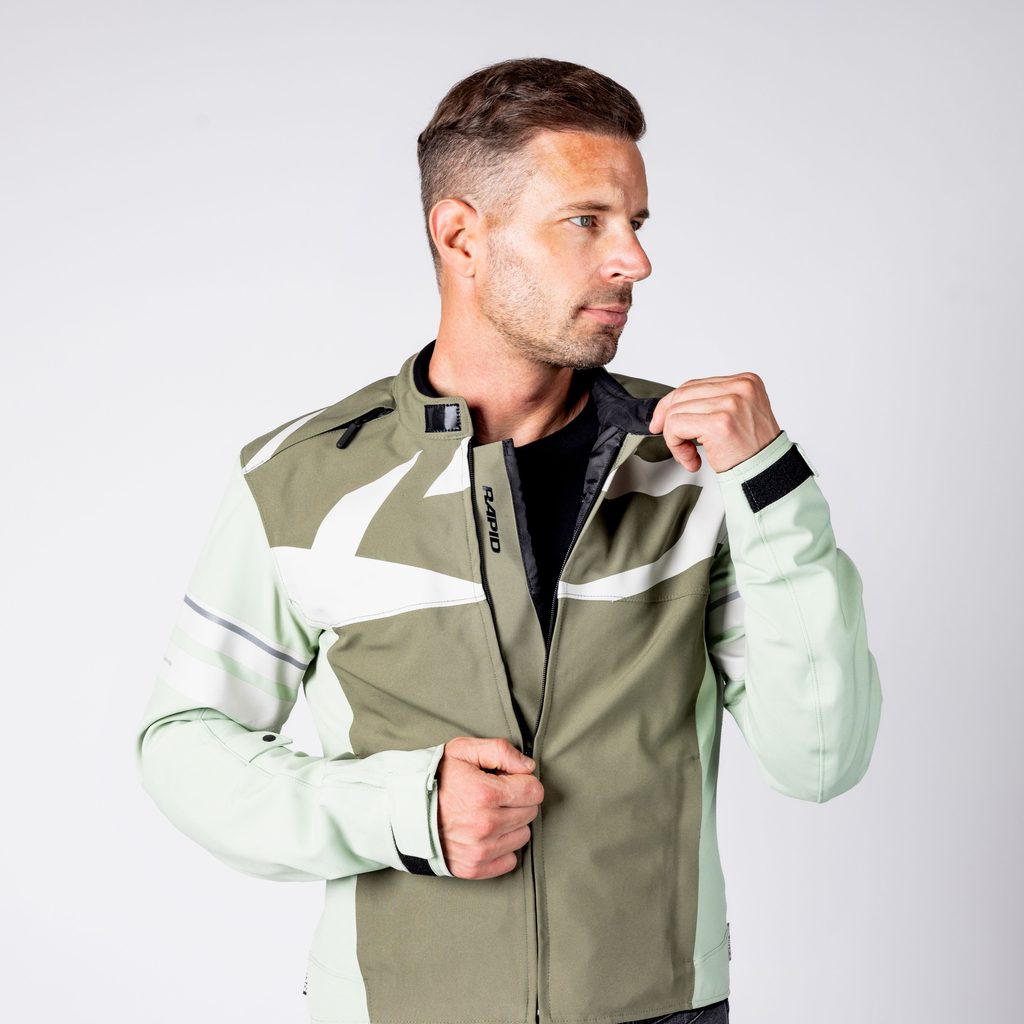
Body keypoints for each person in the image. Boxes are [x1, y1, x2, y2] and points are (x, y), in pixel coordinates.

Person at [135, 57, 882, 1024]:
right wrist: (402, 809)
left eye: (636, 222)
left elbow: (819, 757)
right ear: (462, 235)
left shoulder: (697, 465)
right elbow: (185, 746)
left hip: (657, 1007)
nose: (634, 261)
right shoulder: (301, 480)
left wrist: (773, 484)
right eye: (586, 221)